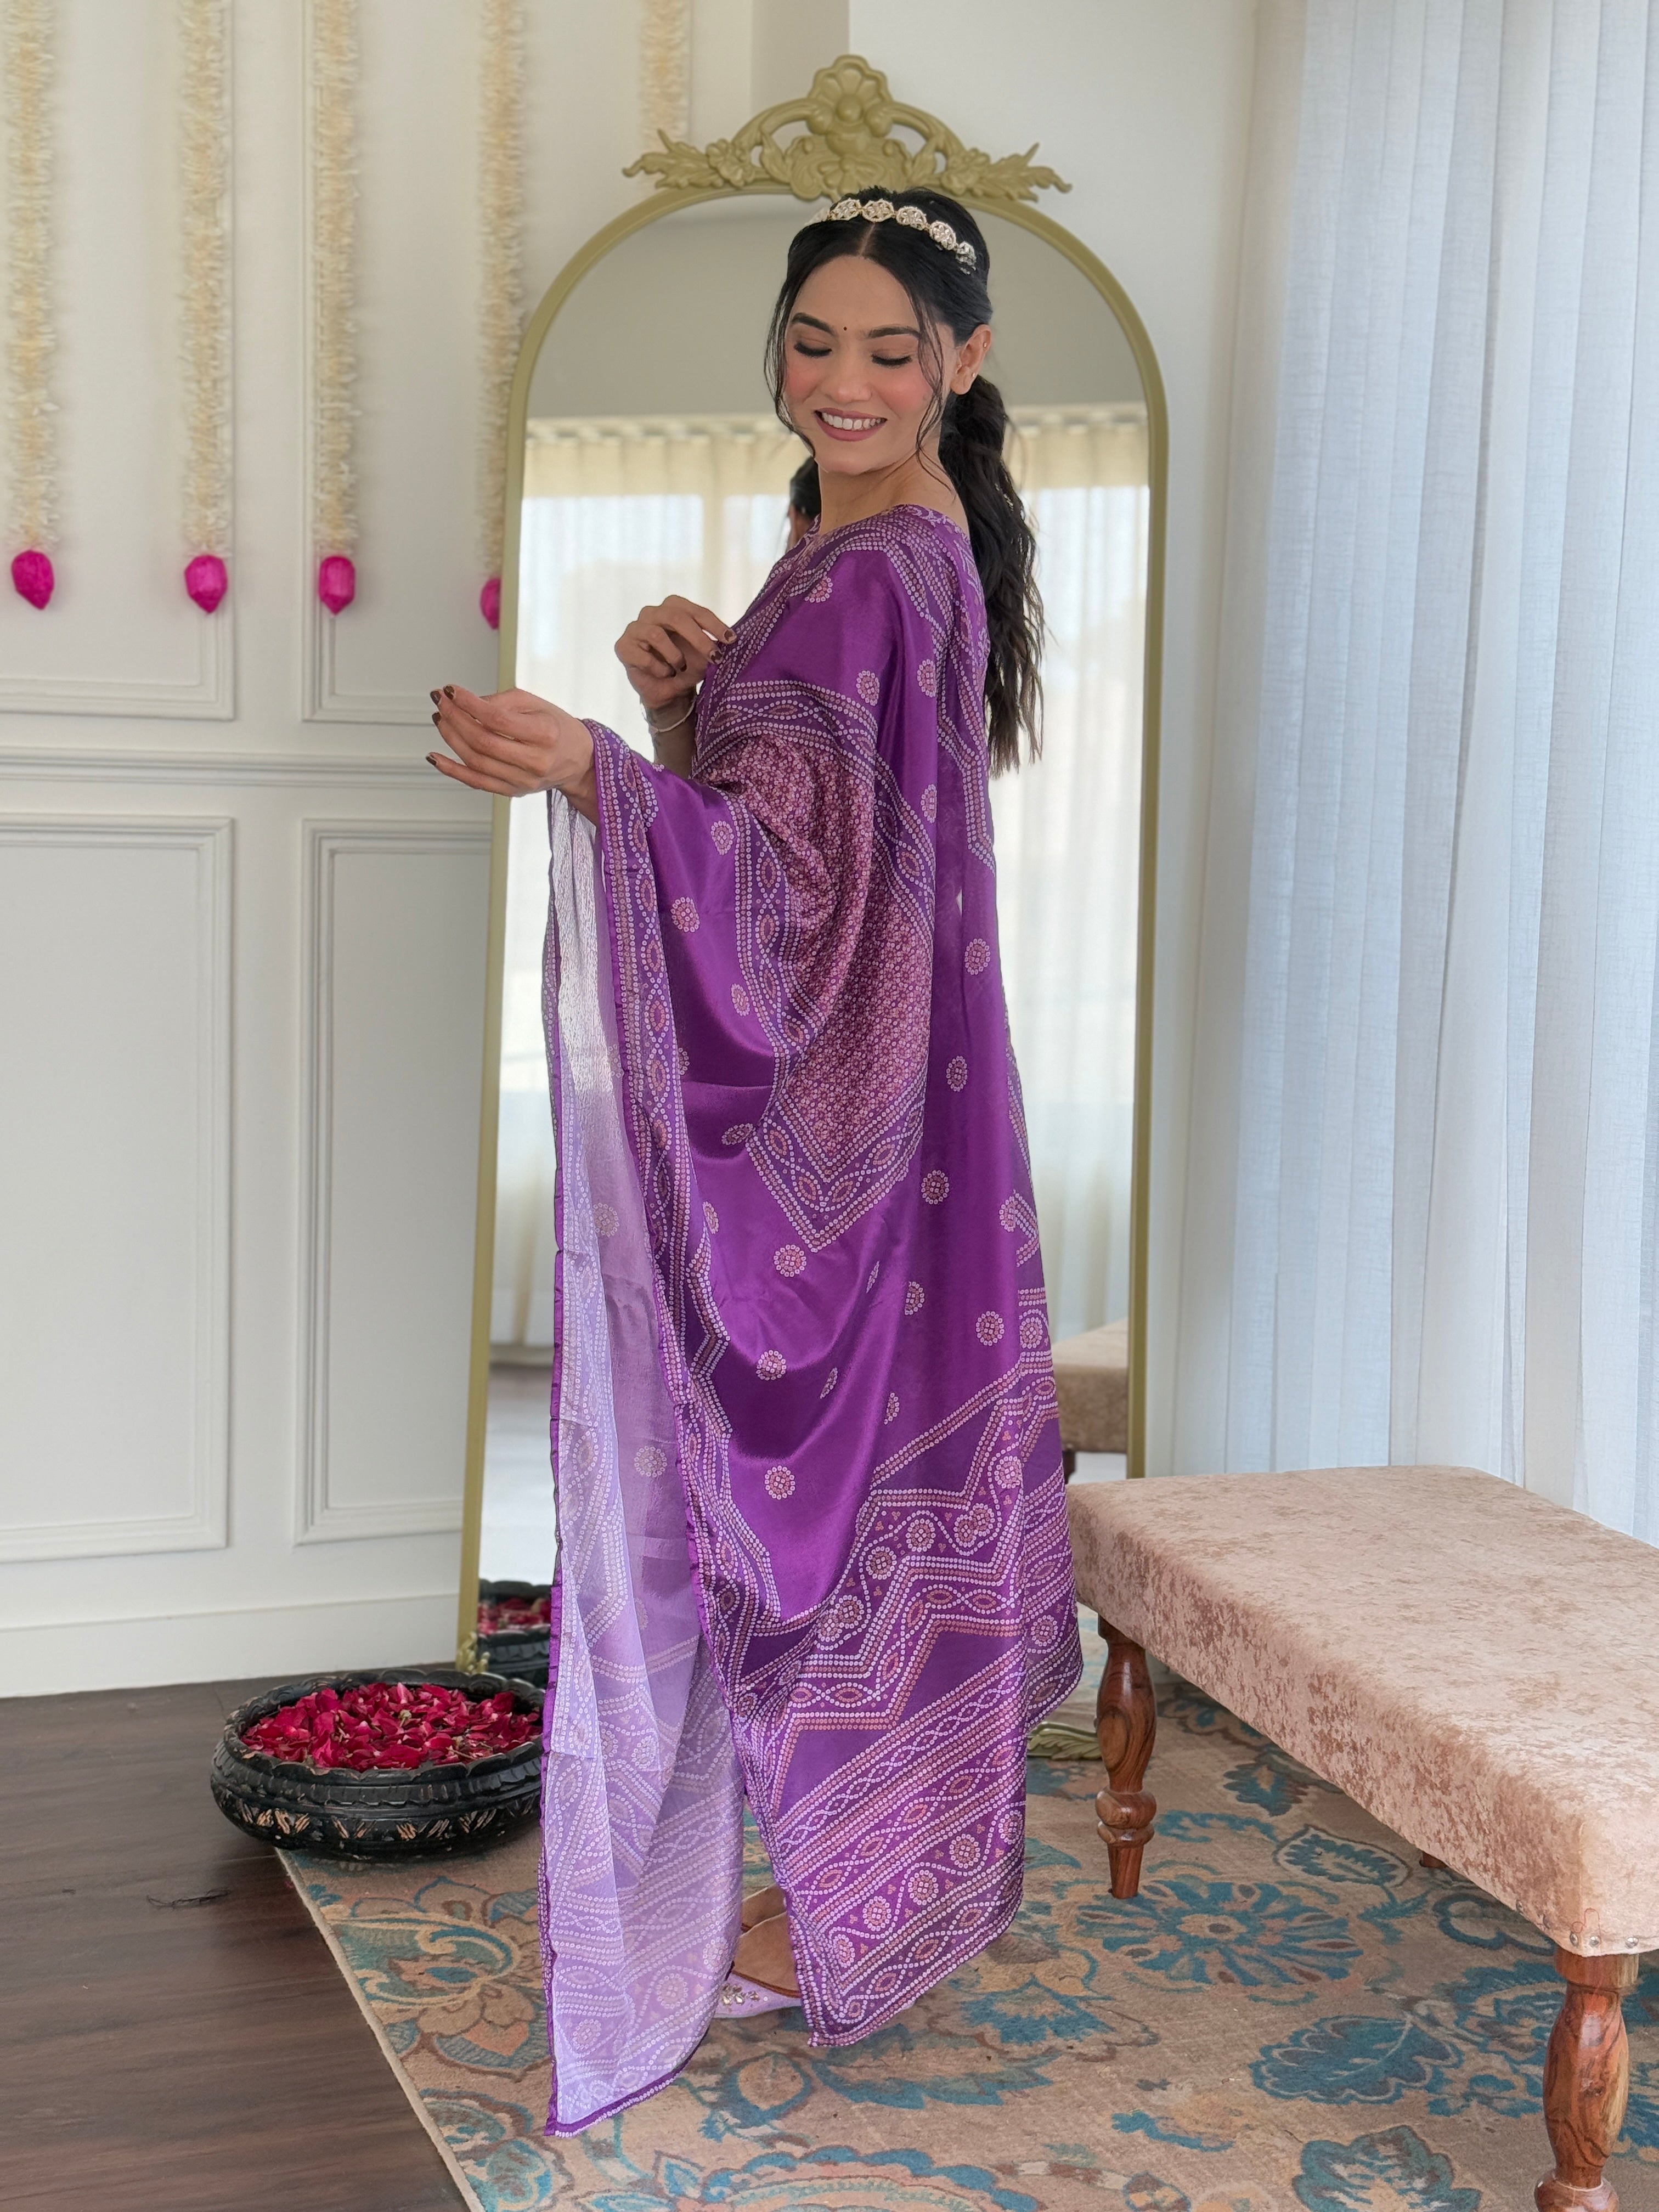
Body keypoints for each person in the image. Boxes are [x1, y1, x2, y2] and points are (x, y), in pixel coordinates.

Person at [428, 187, 1081, 2137]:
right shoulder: (863, 544)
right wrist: (676, 711)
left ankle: (844, 1898)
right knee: (856, 1500)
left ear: (963, 362)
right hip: (912, 1112)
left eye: (888, 350)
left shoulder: (883, 568)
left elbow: (796, 904)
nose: (842, 381)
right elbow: (821, 848)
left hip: (864, 1134)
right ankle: (855, 1888)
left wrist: (595, 774)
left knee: (815, 1491)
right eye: (813, 342)